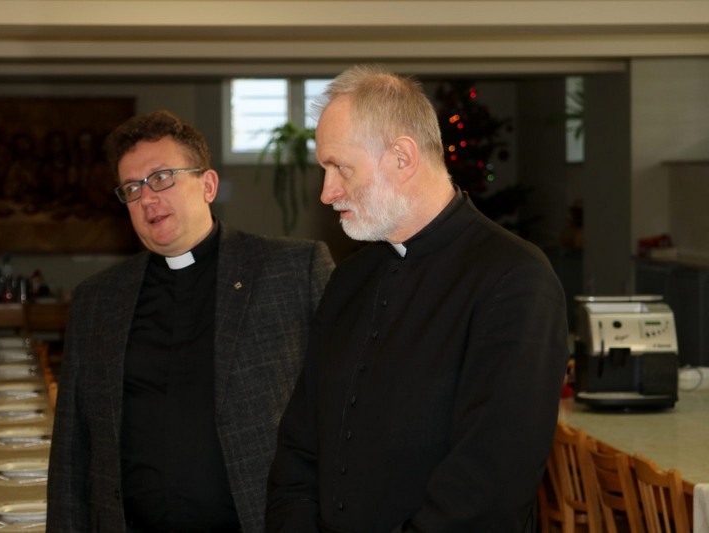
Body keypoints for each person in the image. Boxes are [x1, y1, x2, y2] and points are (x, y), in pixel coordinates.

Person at [265, 65, 570, 532]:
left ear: (402, 157)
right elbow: (299, 444)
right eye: (324, 169)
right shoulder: (349, 280)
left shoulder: (515, 279)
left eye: (340, 167)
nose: (327, 192)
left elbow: (489, 484)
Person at [47, 110, 335, 533]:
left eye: (161, 178)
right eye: (132, 188)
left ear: (208, 185)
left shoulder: (292, 271)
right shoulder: (98, 300)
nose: (147, 198)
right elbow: (72, 451)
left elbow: (345, 413)